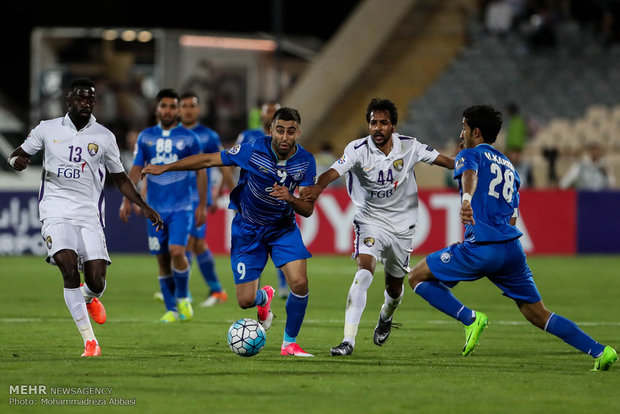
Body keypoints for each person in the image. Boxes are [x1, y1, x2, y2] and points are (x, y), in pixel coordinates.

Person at [408, 105, 617, 371]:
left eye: (463, 127)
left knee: (416, 276)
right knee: (539, 314)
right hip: (511, 250)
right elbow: (513, 216)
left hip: (482, 248)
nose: (461, 133)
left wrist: (467, 200)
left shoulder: (470, 155)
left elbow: (469, 175)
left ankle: (470, 319)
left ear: (476, 131)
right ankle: (600, 350)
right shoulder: (510, 167)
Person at [143, 107, 317, 357]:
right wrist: (167, 167)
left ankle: (289, 343)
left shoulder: (306, 161)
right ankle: (263, 298)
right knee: (245, 301)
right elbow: (207, 159)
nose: (285, 137)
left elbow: (308, 209)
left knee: (299, 283)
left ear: (298, 133)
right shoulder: (253, 150)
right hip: (248, 229)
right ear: (271, 131)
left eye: (291, 132)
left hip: (282, 228)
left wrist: (290, 198)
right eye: (280, 131)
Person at [7, 77, 163, 357]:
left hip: (88, 213)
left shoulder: (104, 136)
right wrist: (15, 161)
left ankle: (89, 296)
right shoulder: (47, 129)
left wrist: (145, 206)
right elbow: (18, 154)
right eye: (80, 97)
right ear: (68, 101)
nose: (85, 102)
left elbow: (121, 178)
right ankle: (90, 342)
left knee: (96, 281)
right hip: (55, 210)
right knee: (67, 266)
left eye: (90, 98)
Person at [300, 98, 455, 356]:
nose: (378, 128)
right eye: (373, 122)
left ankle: (386, 316)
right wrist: (318, 188)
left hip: (402, 227)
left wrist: (472, 162)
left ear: (393, 126)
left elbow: (447, 162)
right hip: (370, 220)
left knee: (394, 290)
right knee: (363, 272)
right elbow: (333, 171)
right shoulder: (357, 149)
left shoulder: (410, 146)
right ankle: (348, 341)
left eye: (384, 123)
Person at [120, 89, 207, 323]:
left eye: (172, 106)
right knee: (162, 259)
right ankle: (171, 309)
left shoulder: (190, 138)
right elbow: (136, 170)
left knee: (177, 251)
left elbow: (201, 172)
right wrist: (127, 200)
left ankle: (184, 296)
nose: (168, 110)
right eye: (164, 106)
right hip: (156, 209)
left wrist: (202, 205)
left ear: (178, 110)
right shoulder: (146, 137)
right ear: (158, 109)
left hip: (182, 207)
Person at [179, 91, 235, 307]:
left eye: (192, 105)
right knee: (191, 244)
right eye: (184, 106)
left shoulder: (208, 136)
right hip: (176, 197)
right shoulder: (173, 134)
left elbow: (225, 165)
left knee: (192, 242)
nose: (188, 109)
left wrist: (234, 194)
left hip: (198, 198)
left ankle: (193, 292)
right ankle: (211, 290)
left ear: (198, 109)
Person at [236, 101, 289, 298]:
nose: (272, 115)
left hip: (276, 199)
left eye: (275, 112)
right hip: (251, 199)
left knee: (278, 243)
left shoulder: (286, 139)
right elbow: (236, 165)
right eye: (269, 112)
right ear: (262, 116)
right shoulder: (248, 136)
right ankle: (254, 286)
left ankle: (283, 286)